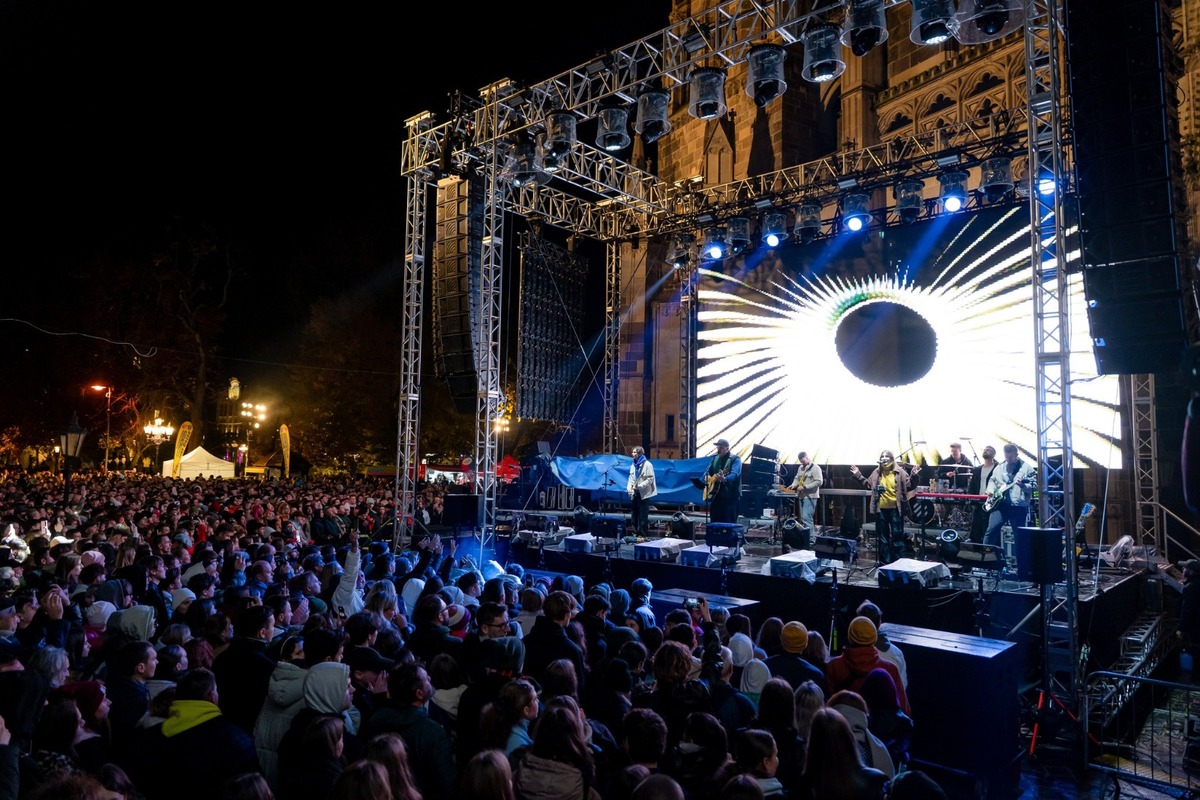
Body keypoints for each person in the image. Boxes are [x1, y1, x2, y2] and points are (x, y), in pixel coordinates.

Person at [850, 450, 919, 565]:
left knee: (897, 536)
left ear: (892, 458)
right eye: (882, 456)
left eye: (887, 456)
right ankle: (884, 563)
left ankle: (897, 563)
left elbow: (909, 485)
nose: (884, 458)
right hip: (880, 509)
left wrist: (914, 475)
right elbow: (868, 485)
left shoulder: (900, 472)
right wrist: (858, 474)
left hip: (896, 509)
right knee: (882, 538)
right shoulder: (876, 472)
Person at [983, 443, 1038, 549]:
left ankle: (1021, 563)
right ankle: (986, 560)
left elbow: (1034, 486)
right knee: (991, 531)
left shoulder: (1026, 468)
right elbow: (992, 480)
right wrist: (990, 490)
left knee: (1019, 536)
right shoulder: (999, 467)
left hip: (1018, 506)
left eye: (1011, 457)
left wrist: (1023, 485)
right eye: (1006, 456)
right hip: (1000, 505)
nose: (1008, 459)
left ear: (1017, 455)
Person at [788, 451, 824, 546]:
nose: (802, 463)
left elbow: (819, 482)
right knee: (804, 519)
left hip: (810, 496)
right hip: (801, 496)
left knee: (807, 518)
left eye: (803, 461)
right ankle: (806, 539)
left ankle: (811, 540)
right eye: (801, 462)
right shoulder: (801, 468)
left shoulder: (816, 468)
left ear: (807, 458)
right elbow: (797, 478)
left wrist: (805, 487)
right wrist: (794, 485)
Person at [706, 439, 742, 524]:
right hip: (716, 496)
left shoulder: (735, 459)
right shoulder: (714, 459)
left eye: (721, 448)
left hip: (731, 497)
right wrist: (707, 478)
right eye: (718, 447)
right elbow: (708, 472)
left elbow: (735, 474)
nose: (718, 450)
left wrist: (725, 478)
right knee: (715, 521)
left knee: (729, 523)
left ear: (727, 448)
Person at [968, 445, 1000, 543]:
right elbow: (972, 486)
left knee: (989, 526)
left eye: (989, 450)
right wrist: (972, 500)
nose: (986, 451)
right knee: (976, 526)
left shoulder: (998, 468)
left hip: (992, 501)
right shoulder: (977, 469)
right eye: (985, 449)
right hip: (979, 500)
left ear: (994, 454)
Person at [628, 446, 658, 537]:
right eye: (632, 452)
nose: (633, 454)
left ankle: (642, 535)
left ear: (640, 453)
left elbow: (650, 479)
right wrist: (629, 488)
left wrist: (639, 486)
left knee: (643, 516)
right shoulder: (633, 465)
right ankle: (635, 533)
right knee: (634, 515)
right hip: (634, 493)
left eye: (635, 452)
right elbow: (630, 478)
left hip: (643, 493)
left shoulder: (647, 464)